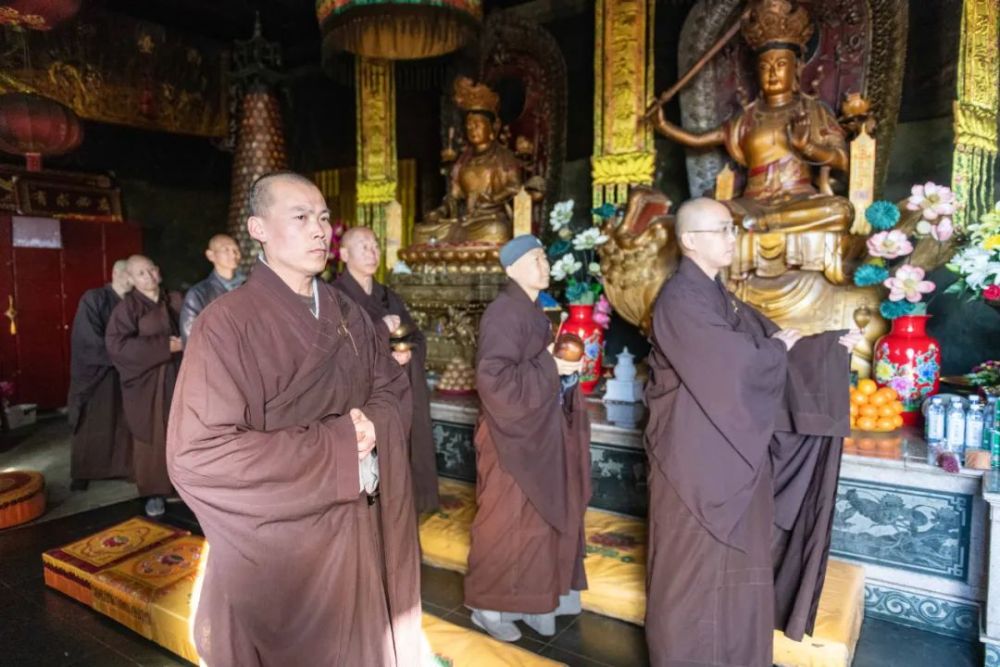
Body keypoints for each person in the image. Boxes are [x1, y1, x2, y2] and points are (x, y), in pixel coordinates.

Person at [166, 171, 423, 666]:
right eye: (301, 217)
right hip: (286, 541)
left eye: (324, 218)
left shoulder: (348, 313)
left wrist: (374, 422)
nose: (319, 231)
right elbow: (198, 456)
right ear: (257, 228)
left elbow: (389, 386)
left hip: (360, 525)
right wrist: (338, 443)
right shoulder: (227, 323)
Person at [642, 197, 862, 667]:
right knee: (692, 573)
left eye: (731, 228)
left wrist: (827, 347)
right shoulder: (680, 300)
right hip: (696, 464)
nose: (732, 237)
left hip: (733, 453)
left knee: (739, 568)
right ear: (689, 241)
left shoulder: (722, 297)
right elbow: (737, 363)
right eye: (722, 229)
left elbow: (773, 341)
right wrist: (774, 350)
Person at [464, 234, 591, 642]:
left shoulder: (535, 311)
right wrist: (551, 366)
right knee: (504, 525)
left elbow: (541, 368)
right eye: (537, 259)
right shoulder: (504, 312)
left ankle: (530, 602)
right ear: (514, 267)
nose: (546, 265)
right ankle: (487, 606)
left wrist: (565, 370)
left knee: (535, 524)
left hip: (537, 434)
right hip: (509, 438)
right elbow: (494, 381)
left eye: (544, 258)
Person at [334, 226, 439, 513]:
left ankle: (410, 504)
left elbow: (416, 337)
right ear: (344, 254)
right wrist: (382, 332)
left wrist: (406, 354)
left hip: (398, 388)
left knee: (402, 447)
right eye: (364, 246)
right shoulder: (334, 295)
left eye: (375, 246)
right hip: (363, 395)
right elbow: (340, 347)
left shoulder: (387, 295)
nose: (372, 252)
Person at [105, 255, 182, 517]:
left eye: (151, 270)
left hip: (179, 375)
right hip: (147, 384)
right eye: (141, 273)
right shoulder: (127, 309)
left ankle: (183, 486)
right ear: (132, 279)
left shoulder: (174, 300)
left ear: (158, 271)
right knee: (152, 437)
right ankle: (154, 492)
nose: (148, 277)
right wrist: (163, 347)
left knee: (181, 430)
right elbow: (117, 346)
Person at [67, 259, 134, 491]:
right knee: (92, 421)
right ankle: (84, 471)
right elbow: (87, 337)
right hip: (98, 371)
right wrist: (122, 355)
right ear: (115, 273)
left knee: (123, 420)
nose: (132, 278)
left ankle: (122, 468)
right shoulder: (94, 298)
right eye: (128, 273)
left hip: (125, 371)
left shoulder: (133, 301)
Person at [178, 233, 246, 342]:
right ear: (211, 255)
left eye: (236, 250)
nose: (233, 254)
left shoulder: (250, 286)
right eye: (226, 250)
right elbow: (191, 336)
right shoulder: (198, 293)